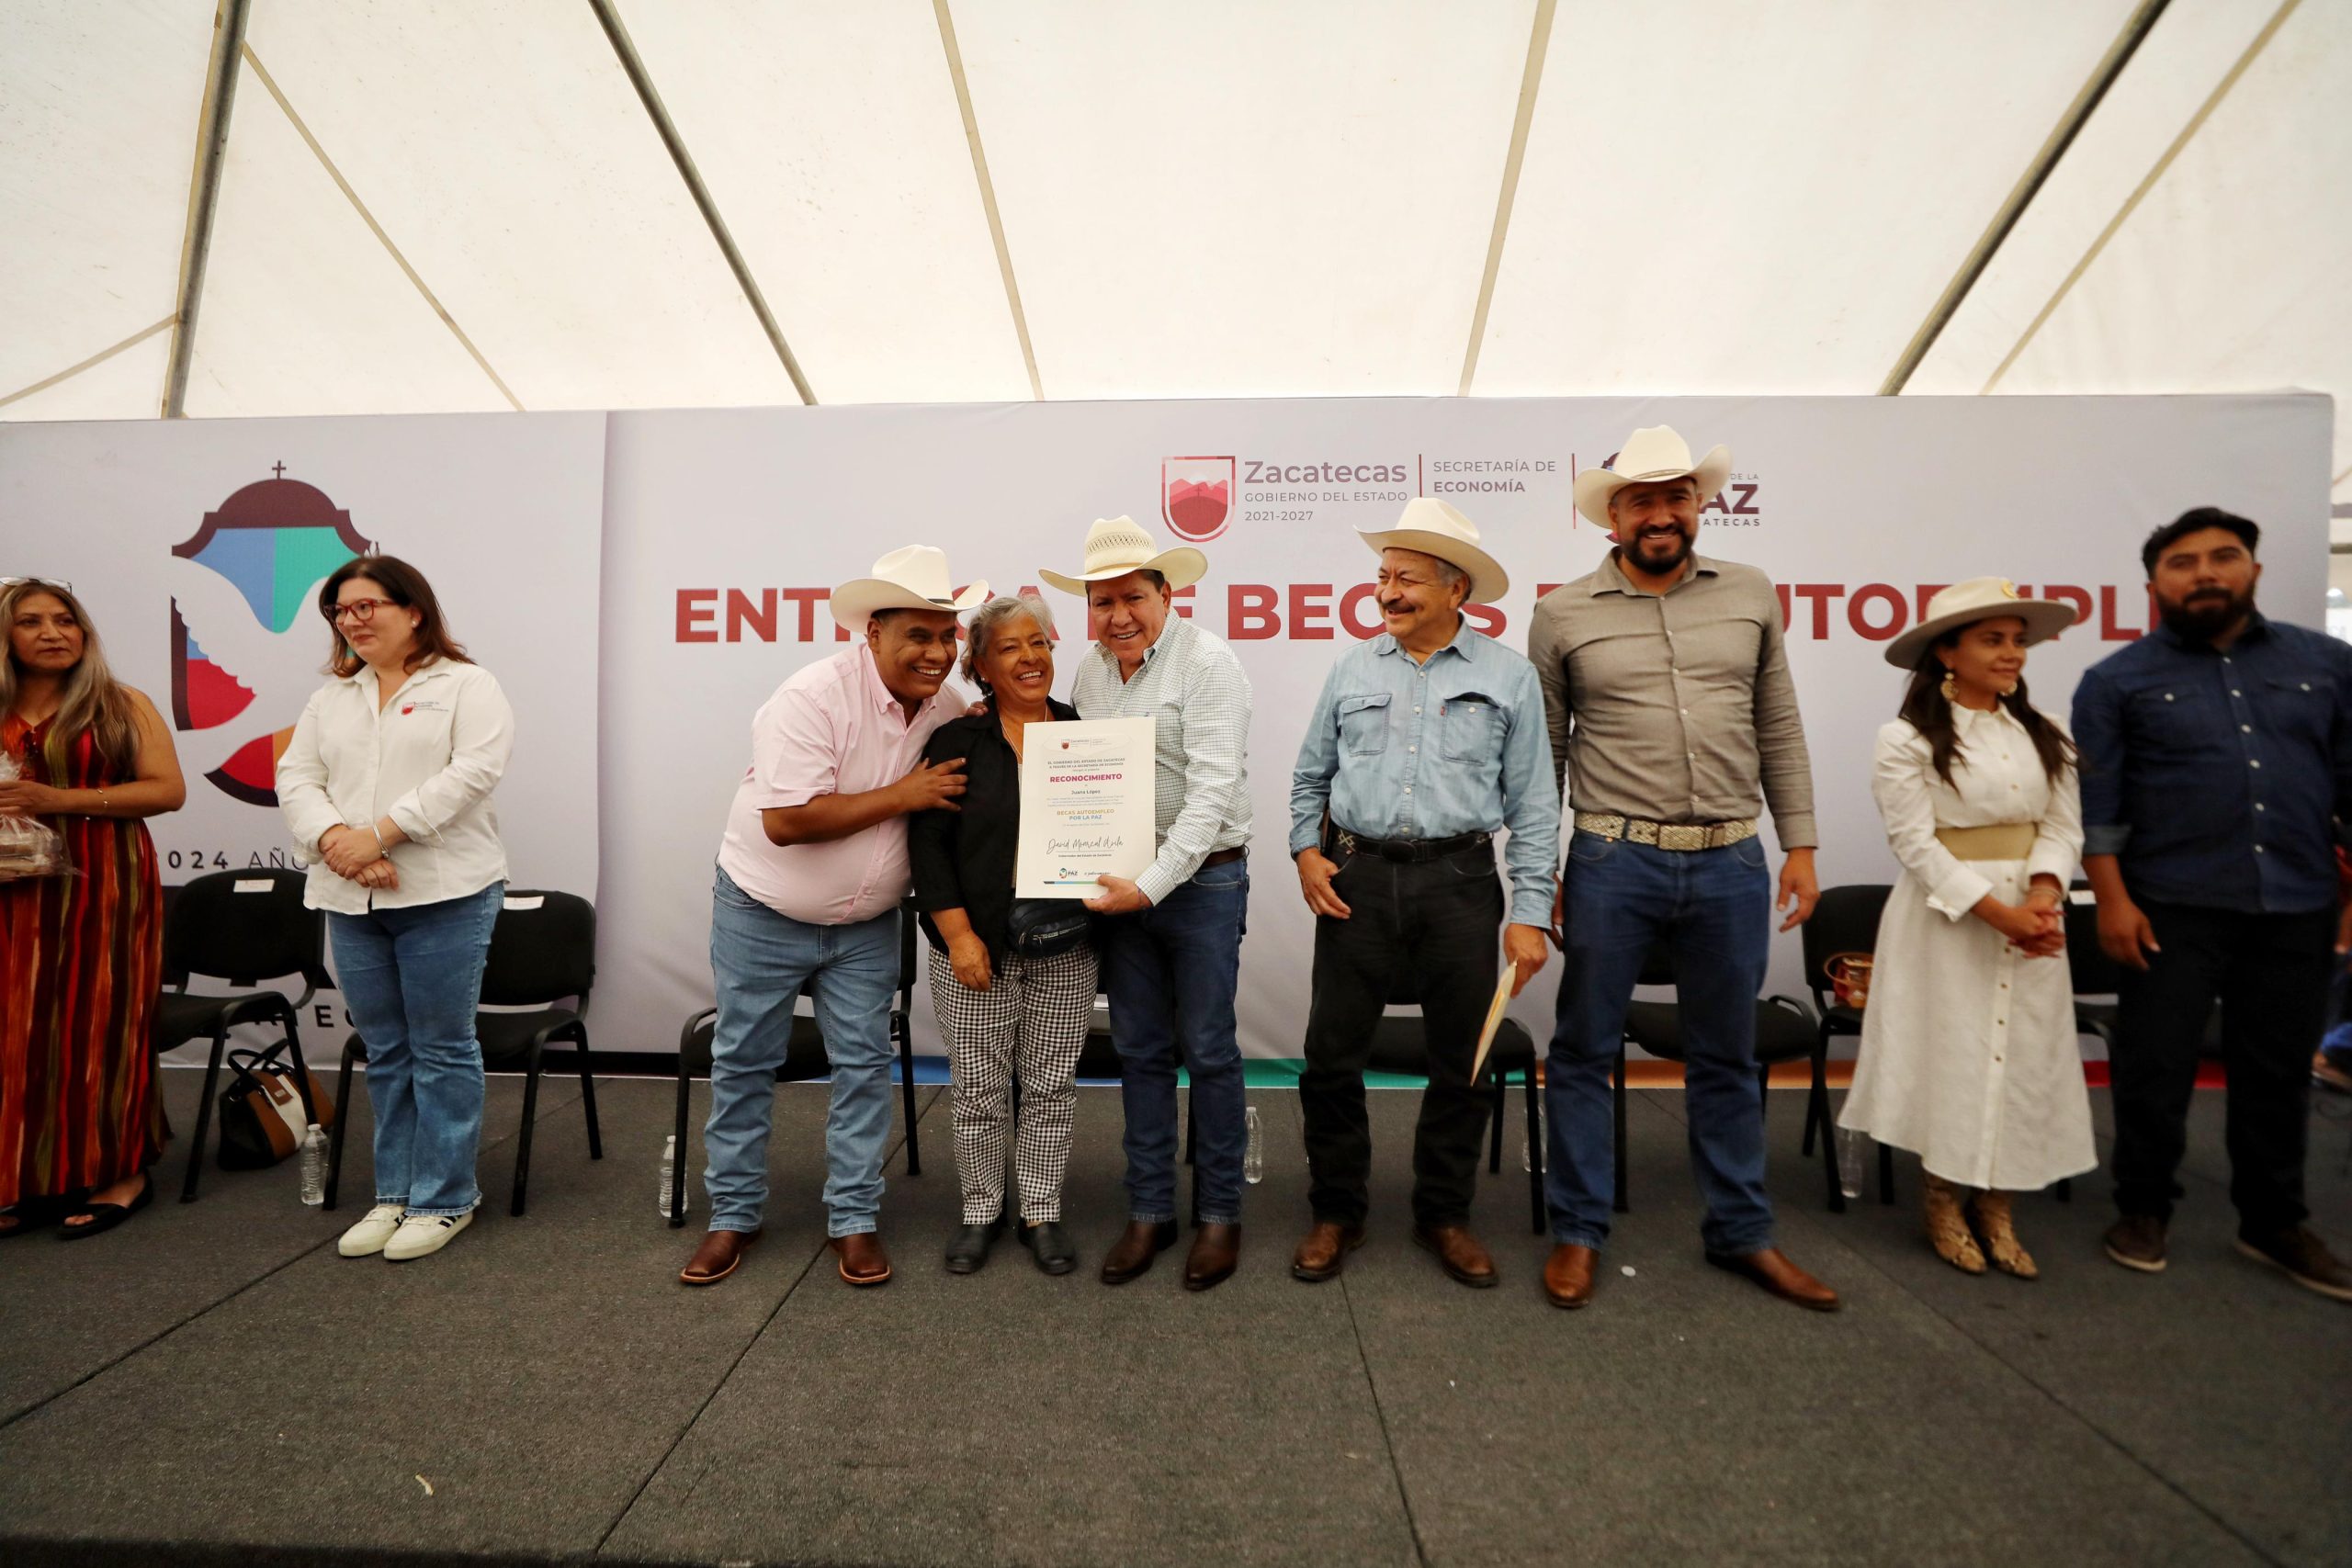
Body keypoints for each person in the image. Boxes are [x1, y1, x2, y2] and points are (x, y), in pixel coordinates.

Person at [1525, 424, 1837, 1313]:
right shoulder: (1561, 613)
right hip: (1610, 859)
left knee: (1726, 1055)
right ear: (1612, 517)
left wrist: (1801, 844)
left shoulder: (1751, 592)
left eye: (1675, 497)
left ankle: (1741, 1230)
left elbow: (1778, 721)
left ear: (1699, 505)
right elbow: (1544, 756)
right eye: (1642, 501)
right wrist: (1540, 872)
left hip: (1732, 862)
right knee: (1584, 1048)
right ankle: (1578, 1229)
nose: (1660, 514)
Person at [681, 547, 984, 1290]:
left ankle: (853, 1218)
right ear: (873, 631)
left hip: (868, 924)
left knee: (863, 1067)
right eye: (918, 635)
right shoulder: (811, 697)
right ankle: (733, 1215)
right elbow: (786, 821)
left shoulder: (948, 706)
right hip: (762, 907)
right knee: (744, 1061)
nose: (937, 652)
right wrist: (905, 795)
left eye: (947, 636)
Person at [2073, 507, 2352, 1302]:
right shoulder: (2116, 680)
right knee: (2154, 1064)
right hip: (2169, 904)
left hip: (2297, 899)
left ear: (2253, 570)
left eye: (2222, 557)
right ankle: (2143, 1208)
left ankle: (2273, 1220)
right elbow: (2099, 809)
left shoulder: (2327, 664)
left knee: (2277, 1071)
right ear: (2153, 585)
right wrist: (2112, 901)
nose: (2204, 573)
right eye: (2182, 562)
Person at [1287, 502, 1556, 1288]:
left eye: (1406, 578)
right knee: (1330, 1058)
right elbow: (1309, 776)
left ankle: (1444, 1214)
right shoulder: (1352, 668)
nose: (1387, 591)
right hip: (1357, 879)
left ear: (1456, 588)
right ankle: (1337, 1211)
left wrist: (1530, 914)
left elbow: (1536, 806)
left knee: (1462, 1061)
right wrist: (1307, 852)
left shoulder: (1508, 676)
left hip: (1461, 882)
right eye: (1382, 576)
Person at [1840, 578, 2091, 1278]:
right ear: (1947, 653)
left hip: (2034, 916)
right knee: (1953, 1054)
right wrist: (2000, 913)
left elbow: (2063, 827)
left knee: (2024, 1056)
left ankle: (1998, 1203)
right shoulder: (1907, 738)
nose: (2012, 652)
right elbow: (1914, 843)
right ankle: (1943, 1197)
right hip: (1947, 918)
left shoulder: (2047, 732)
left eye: (2017, 640)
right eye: (1992, 639)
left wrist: (2042, 896)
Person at [278, 556, 512, 1264]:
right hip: (350, 895)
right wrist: (337, 843)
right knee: (386, 1050)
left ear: (413, 610)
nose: (352, 620)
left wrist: (377, 836)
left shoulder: (467, 685)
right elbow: (297, 776)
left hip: (444, 893)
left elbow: (472, 774)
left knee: (441, 1047)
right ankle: (395, 1192)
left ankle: (445, 1198)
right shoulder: (332, 698)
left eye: (366, 606)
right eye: (340, 611)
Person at [1041, 516, 1253, 1291]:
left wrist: (1151, 883)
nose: (1118, 615)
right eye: (1102, 602)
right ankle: (1151, 1209)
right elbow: (1080, 772)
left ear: (1168, 595)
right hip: (1121, 887)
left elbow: (1212, 792)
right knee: (1139, 1050)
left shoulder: (1209, 664)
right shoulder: (1090, 672)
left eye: (1133, 597)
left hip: (1202, 885)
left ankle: (1220, 1212)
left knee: (1210, 1049)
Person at [910, 593, 1095, 1276]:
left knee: (1050, 1086)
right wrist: (959, 935)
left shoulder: (1083, 732)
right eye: (1010, 647)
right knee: (979, 1090)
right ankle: (981, 1209)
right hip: (974, 946)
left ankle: (1040, 1210)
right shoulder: (956, 741)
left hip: (1066, 943)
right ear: (981, 666)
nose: (1029, 658)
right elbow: (928, 847)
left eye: (1039, 643)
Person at [0, 580, 186, 1238]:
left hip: (104, 885)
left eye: (65, 619)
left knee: (101, 1023)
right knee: (16, 1033)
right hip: (10, 890)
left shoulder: (120, 703)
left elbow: (167, 790)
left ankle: (120, 1171)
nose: (53, 632)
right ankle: (30, 1177)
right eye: (31, 621)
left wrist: (59, 801)